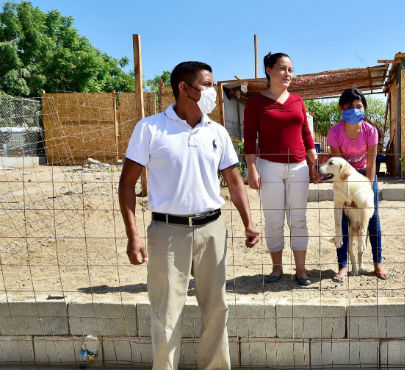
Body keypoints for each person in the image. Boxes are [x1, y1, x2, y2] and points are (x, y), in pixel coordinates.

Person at [118, 61, 260, 370]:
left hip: (212, 229)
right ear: (184, 88)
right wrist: (134, 235)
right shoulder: (150, 129)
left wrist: (249, 221)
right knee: (166, 312)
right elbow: (127, 184)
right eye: (207, 85)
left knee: (216, 308)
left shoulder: (217, 132)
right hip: (167, 232)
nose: (213, 92)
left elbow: (234, 181)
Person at [243, 52, 319, 286]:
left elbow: (307, 134)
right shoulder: (255, 102)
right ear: (269, 70)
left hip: (298, 168)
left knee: (298, 220)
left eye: (291, 70)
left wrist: (312, 162)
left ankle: (301, 270)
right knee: (273, 219)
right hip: (269, 167)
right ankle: (277, 269)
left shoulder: (297, 100)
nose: (288, 74)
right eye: (283, 69)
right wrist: (252, 169)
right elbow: (249, 138)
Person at [327, 88, 389, 282]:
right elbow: (339, 165)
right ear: (341, 109)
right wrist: (347, 197)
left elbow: (372, 164)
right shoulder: (335, 132)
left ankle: (378, 263)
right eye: (350, 107)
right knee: (343, 216)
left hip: (365, 175)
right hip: (345, 176)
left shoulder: (370, 131)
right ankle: (343, 266)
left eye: (359, 106)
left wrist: (366, 193)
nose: (355, 110)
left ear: (364, 108)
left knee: (372, 215)